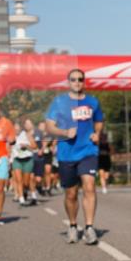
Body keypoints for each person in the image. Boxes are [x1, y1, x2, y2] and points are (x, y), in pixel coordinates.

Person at [44, 69, 104, 245]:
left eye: (80, 79)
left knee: (89, 185)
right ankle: (72, 225)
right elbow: (49, 126)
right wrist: (64, 132)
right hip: (67, 153)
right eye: (73, 79)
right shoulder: (59, 102)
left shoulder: (93, 102)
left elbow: (99, 121)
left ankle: (89, 228)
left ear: (84, 81)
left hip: (88, 151)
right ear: (68, 82)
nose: (77, 82)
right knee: (71, 194)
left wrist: (97, 133)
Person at [11, 118, 37, 206]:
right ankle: (21, 199)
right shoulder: (11, 137)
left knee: (26, 182)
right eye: (15, 128)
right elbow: (7, 147)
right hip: (17, 160)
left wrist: (26, 146)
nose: (16, 129)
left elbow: (34, 146)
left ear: (21, 128)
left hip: (27, 159)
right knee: (18, 180)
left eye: (18, 128)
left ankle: (25, 190)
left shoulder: (27, 135)